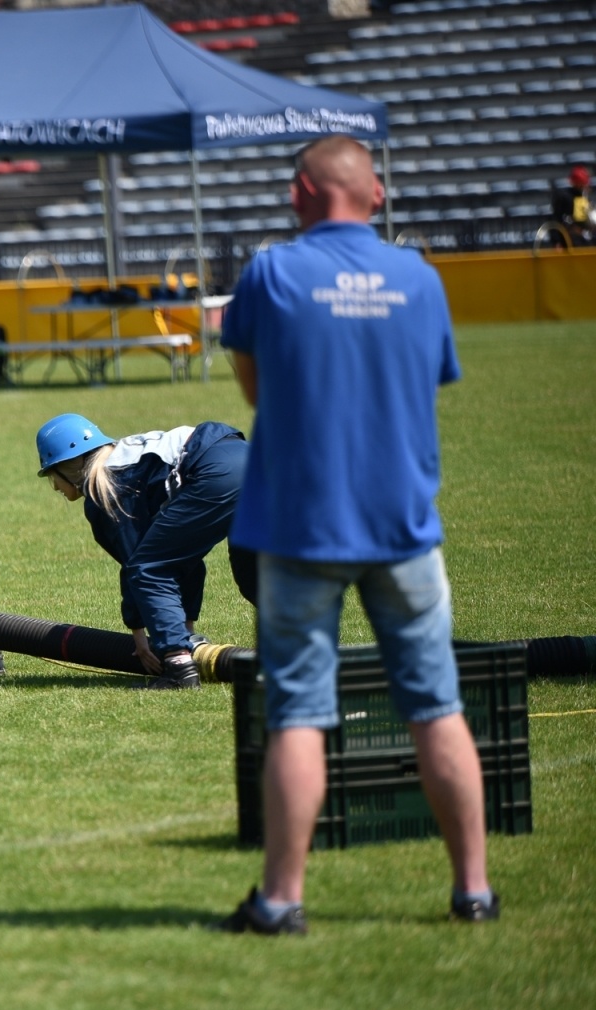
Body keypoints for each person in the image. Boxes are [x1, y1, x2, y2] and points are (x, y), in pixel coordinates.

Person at [217, 135, 496, 933]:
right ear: (374, 196)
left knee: (300, 713)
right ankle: (473, 891)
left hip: (302, 526)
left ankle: (281, 901)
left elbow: (254, 388)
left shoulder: (271, 271)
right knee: (437, 706)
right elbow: (428, 378)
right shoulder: (420, 277)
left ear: (301, 192)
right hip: (404, 527)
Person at [35, 415, 255, 689]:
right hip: (253, 458)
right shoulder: (126, 459)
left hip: (215, 470)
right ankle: (306, 647)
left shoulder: (109, 487)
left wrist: (140, 636)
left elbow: (137, 566)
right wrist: (186, 631)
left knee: (150, 568)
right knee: (256, 578)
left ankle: (178, 669)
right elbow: (185, 561)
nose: (55, 486)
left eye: (52, 474)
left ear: (70, 465)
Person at [548, 165, 590, 246]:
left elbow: (584, 220)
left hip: (582, 240)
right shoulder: (564, 197)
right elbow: (556, 219)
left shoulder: (583, 198)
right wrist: (557, 241)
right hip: (567, 240)